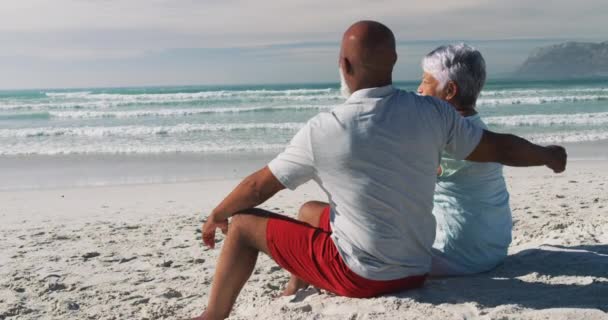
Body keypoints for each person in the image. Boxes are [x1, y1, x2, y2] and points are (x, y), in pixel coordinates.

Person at [193, 21, 567, 320]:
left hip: (363, 278)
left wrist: (216, 215)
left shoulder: (325, 128)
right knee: (309, 211)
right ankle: (297, 287)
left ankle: (212, 315)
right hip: (417, 268)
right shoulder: (433, 113)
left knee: (242, 224)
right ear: (393, 63)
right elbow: (498, 146)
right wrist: (547, 154)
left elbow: (258, 187)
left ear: (344, 65)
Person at [417, 44, 512, 275]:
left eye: (425, 81)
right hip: (493, 248)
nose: (419, 90)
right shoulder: (477, 128)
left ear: (449, 91)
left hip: (455, 252)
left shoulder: (450, 140)